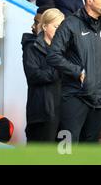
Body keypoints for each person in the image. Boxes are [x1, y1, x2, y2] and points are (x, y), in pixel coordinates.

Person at [47, 0, 101, 143]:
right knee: (66, 147)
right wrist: (77, 71)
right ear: (89, 0)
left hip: (99, 99)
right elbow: (53, 55)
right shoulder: (70, 24)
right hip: (75, 96)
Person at [22, 8, 65, 142]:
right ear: (45, 26)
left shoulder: (65, 48)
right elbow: (34, 75)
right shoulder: (31, 47)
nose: (60, 30)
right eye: (56, 26)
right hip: (42, 113)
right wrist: (59, 69)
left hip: (63, 112)